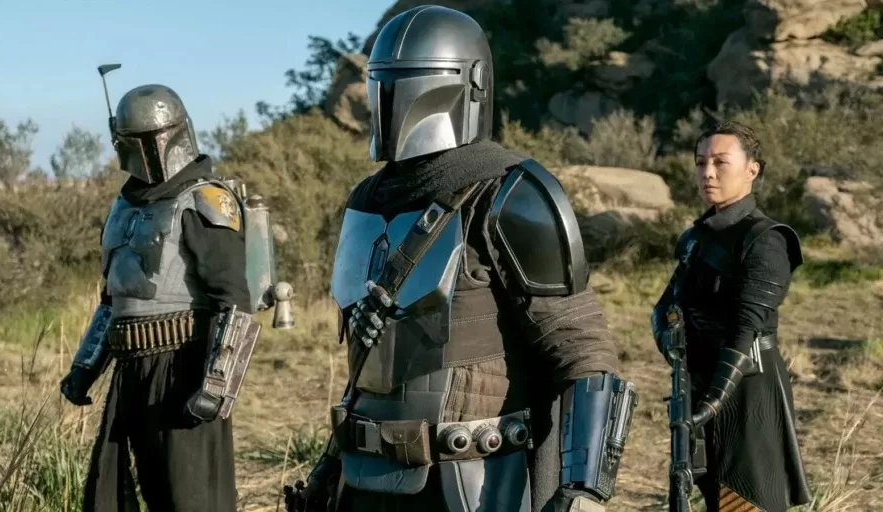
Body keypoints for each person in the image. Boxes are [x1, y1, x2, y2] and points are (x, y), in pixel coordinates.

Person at [286, 5, 637, 512]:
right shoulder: (368, 201)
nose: (391, 99)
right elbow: (370, 362)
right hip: (363, 478)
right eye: (384, 82)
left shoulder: (512, 193)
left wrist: (583, 489)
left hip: (472, 482)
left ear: (465, 85)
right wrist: (330, 465)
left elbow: (580, 346)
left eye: (408, 82)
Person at [59, 83, 252, 512]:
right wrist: (85, 368)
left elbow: (234, 301)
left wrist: (216, 386)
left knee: (191, 500)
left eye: (139, 141)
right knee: (120, 494)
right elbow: (113, 299)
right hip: (130, 371)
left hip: (182, 370)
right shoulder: (124, 205)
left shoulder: (206, 200)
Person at [650, 120, 812, 511]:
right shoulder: (695, 237)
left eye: (720, 162)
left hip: (748, 389)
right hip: (697, 383)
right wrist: (675, 353)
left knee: (744, 502)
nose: (707, 172)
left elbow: (746, 329)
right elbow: (665, 307)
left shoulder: (767, 239)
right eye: (700, 162)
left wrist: (711, 405)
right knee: (707, 494)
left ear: (752, 170)